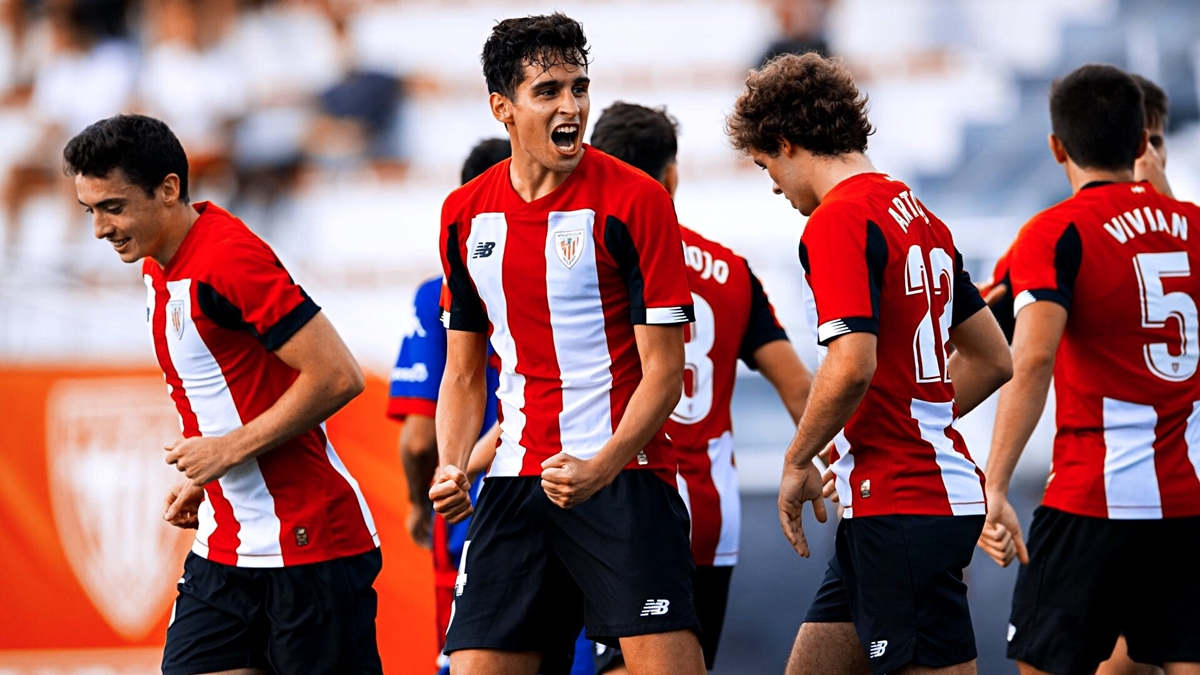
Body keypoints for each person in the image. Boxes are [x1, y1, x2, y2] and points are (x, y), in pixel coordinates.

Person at [430, 13, 706, 675]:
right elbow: (466, 372)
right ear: (503, 107)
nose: (572, 106)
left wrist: (602, 465)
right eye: (549, 90)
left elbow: (664, 373)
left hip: (622, 480)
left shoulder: (636, 201)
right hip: (515, 482)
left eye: (580, 88)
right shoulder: (464, 213)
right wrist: (452, 461)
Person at [63, 113, 382, 675]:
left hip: (310, 543)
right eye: (90, 210)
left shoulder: (228, 258)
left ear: (168, 189)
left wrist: (228, 451)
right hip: (227, 543)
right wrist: (208, 480)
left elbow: (337, 375)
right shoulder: (160, 264)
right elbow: (234, 386)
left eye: (112, 207)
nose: (100, 229)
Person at [726, 52, 1012, 675]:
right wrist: (897, 422)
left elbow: (852, 361)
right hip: (900, 496)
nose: (773, 185)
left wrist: (799, 457)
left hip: (905, 501)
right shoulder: (921, 217)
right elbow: (993, 358)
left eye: (766, 165)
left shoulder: (837, 220)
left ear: (784, 141)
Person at [978, 63, 1200, 675]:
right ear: (1141, 144)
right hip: (1188, 501)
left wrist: (992, 483)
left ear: (1056, 147)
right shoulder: (1194, 225)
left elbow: (1030, 355)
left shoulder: (1051, 234)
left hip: (1093, 498)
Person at [589, 101, 813, 673]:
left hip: (625, 497)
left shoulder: (592, 264)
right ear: (672, 175)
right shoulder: (732, 270)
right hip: (712, 513)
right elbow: (798, 386)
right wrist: (819, 459)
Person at [387, 138, 509, 675]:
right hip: (564, 495)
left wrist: (420, 502)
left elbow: (418, 436)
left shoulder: (438, 291)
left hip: (467, 512)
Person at [978, 71, 1175, 345]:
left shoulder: (1188, 220)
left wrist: (1166, 208)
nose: (1146, 159)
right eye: (1144, 145)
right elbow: (991, 336)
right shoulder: (1058, 237)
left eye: (1157, 143)